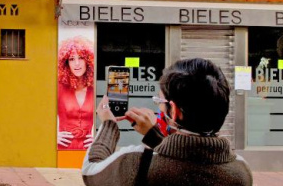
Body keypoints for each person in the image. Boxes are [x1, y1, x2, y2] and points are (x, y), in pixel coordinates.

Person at [82, 58, 253, 186]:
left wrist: (108, 125)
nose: (159, 108)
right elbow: (184, 161)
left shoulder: (136, 163)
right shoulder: (241, 172)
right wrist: (153, 135)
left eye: (160, 101)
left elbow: (91, 170)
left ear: (175, 111)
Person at [57, 36, 95, 150]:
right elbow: (39, 115)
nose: (77, 64)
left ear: (88, 60)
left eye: (81, 58)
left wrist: (99, 138)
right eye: (72, 59)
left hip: (89, 151)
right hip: (62, 149)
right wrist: (51, 135)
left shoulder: (95, 89)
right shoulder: (58, 88)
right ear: (66, 63)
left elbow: (108, 118)